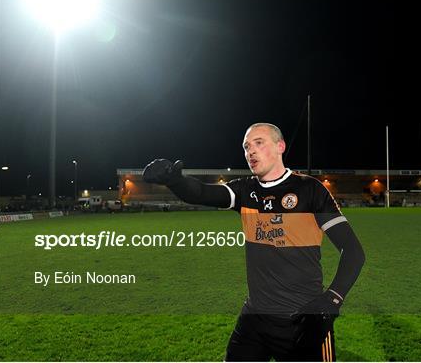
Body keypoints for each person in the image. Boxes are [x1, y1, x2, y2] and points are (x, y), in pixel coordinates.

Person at [143, 123, 365, 361]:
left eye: (259, 143)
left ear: (280, 146)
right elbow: (201, 193)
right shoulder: (244, 190)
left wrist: (332, 299)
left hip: (302, 322)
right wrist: (175, 181)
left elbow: (352, 251)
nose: (251, 151)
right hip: (254, 319)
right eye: (246, 146)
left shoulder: (310, 190)